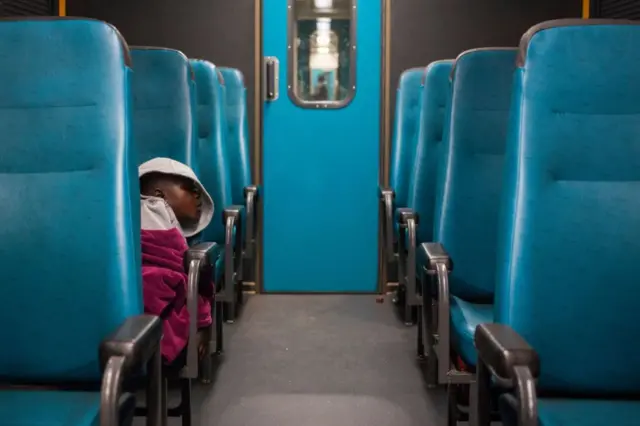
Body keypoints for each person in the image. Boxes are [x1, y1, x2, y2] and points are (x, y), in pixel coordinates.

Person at [139, 157, 215, 366]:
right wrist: (203, 323)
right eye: (189, 189)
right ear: (158, 196)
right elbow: (191, 282)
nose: (197, 196)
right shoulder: (160, 228)